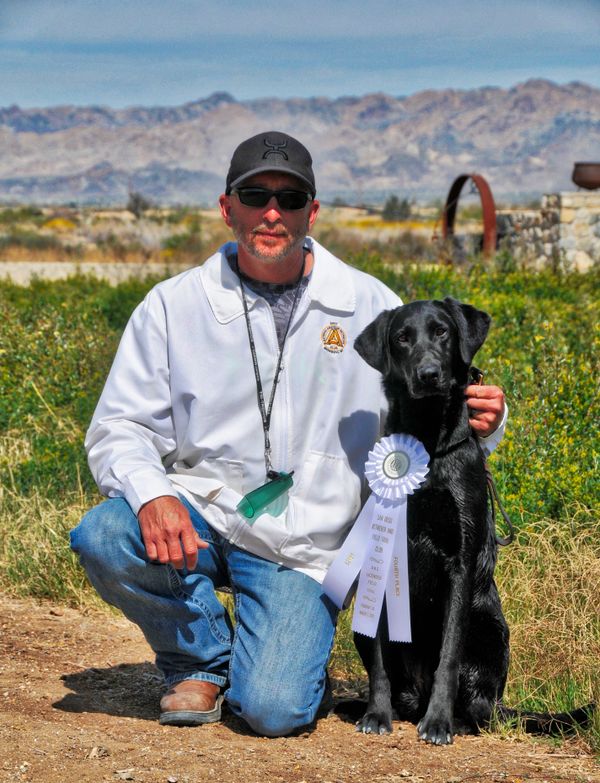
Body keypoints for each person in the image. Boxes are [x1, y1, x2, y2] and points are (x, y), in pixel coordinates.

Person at [70, 131, 506, 737]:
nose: (272, 212)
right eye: (255, 195)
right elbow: (117, 427)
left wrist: (487, 417)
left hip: (300, 549)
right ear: (227, 208)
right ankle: (198, 660)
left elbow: (422, 410)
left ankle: (280, 662)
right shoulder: (171, 306)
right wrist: (152, 493)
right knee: (105, 534)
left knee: (274, 708)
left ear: (312, 212)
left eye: (290, 198)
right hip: (197, 514)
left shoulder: (369, 303)